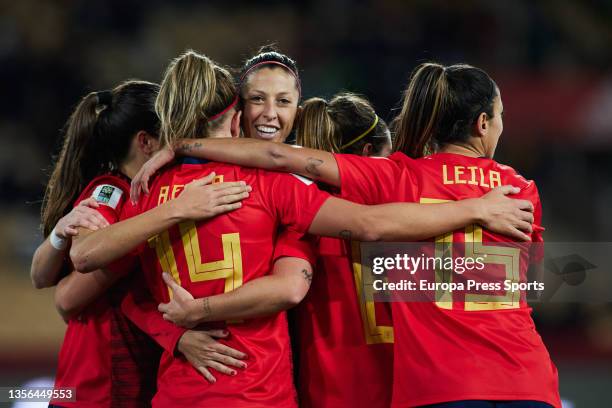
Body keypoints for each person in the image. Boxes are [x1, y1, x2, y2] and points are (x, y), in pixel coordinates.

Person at [132, 63, 559, 408]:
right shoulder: (518, 189)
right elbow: (525, 287)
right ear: (484, 123)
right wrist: (473, 213)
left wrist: (182, 146)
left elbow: (281, 158)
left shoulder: (390, 180)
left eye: (282, 100)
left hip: (422, 386)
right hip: (526, 377)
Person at [31, 80, 248, 407]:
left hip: (130, 379)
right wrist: (175, 210)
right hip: (98, 386)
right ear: (146, 142)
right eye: (172, 133)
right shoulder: (111, 190)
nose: (181, 144)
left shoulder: (153, 194)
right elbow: (67, 295)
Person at [291, 93, 395, 408]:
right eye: (389, 157)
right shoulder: (407, 210)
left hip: (326, 389)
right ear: (366, 153)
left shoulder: (298, 213)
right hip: (399, 385)